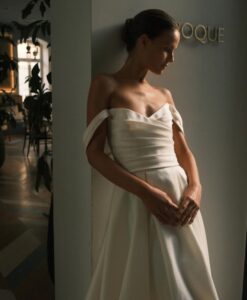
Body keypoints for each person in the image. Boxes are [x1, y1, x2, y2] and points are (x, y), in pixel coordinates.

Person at [82, 8, 219, 300]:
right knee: (138, 281)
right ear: (143, 41)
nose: (171, 59)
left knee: (185, 284)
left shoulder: (165, 95)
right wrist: (145, 192)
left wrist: (195, 187)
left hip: (180, 200)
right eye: (167, 50)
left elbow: (183, 150)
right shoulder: (105, 84)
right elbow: (94, 154)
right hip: (136, 200)